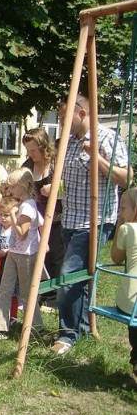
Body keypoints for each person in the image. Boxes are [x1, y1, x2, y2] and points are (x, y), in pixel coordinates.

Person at [53, 95, 129, 355]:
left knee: (68, 279)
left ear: (82, 113)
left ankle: (68, 335)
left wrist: (95, 157)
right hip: (70, 219)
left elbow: (125, 178)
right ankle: (82, 329)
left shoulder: (107, 139)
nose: (61, 122)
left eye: (64, 118)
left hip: (94, 221)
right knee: (80, 279)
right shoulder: (70, 143)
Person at [0, 168, 44, 341]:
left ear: (24, 186)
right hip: (14, 253)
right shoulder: (21, 203)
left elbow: (21, 234)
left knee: (26, 293)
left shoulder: (27, 206)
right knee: (5, 289)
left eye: (13, 186)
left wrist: (12, 214)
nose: (10, 190)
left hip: (25, 255)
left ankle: (36, 327)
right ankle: (0, 328)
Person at [21, 128, 64, 306]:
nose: (31, 154)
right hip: (35, 221)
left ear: (43, 146)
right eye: (28, 150)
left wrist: (55, 189)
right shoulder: (27, 166)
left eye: (34, 150)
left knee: (55, 257)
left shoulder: (57, 163)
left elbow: (71, 186)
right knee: (38, 258)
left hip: (56, 218)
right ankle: (40, 293)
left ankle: (54, 298)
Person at [110, 188, 137, 380]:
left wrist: (120, 225)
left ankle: (135, 360)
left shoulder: (128, 228)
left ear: (135, 210)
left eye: (123, 208)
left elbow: (116, 258)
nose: (120, 212)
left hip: (131, 302)